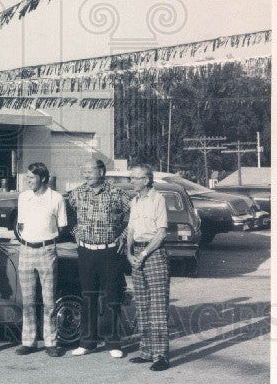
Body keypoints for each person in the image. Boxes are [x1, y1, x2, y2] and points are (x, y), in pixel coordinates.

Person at [65, 158, 132, 358]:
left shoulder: (117, 193)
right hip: (85, 252)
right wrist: (76, 231)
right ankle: (87, 342)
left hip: (110, 252)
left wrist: (125, 235)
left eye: (89, 171)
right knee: (88, 296)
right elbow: (66, 217)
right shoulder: (76, 194)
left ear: (101, 172)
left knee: (111, 297)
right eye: (83, 171)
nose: (85, 174)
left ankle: (113, 342)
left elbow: (134, 214)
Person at [14, 162, 68, 357]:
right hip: (26, 250)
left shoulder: (57, 198)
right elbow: (20, 226)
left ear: (43, 178)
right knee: (27, 300)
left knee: (49, 301)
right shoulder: (23, 197)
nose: (28, 181)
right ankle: (28, 341)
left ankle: (51, 342)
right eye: (27, 177)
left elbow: (62, 227)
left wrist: (46, 241)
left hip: (47, 251)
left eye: (31, 178)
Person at [126, 164, 171, 372]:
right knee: (142, 305)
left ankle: (160, 355)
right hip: (137, 254)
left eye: (135, 178)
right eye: (131, 178)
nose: (132, 181)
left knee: (158, 307)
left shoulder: (158, 199)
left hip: (153, 254)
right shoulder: (134, 201)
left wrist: (143, 254)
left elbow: (161, 233)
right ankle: (146, 351)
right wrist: (129, 253)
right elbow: (131, 230)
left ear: (146, 180)